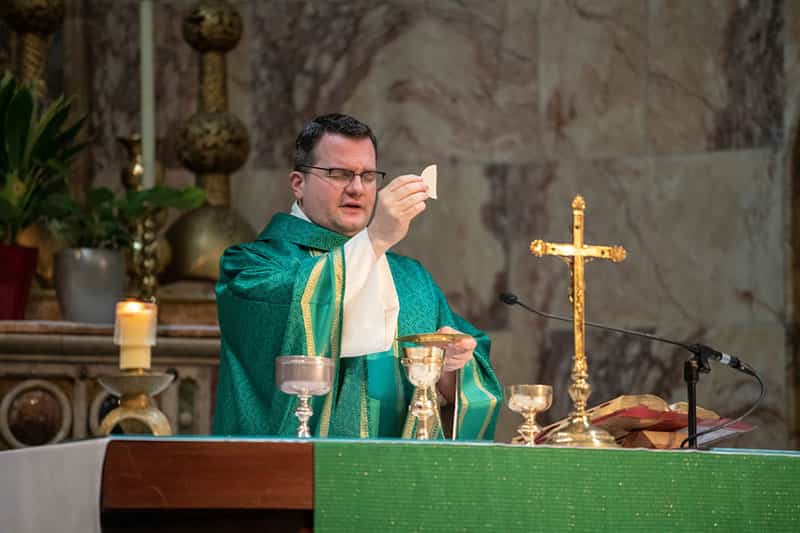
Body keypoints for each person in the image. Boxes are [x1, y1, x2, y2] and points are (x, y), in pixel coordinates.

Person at [213, 113, 501, 439]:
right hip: (302, 478)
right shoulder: (250, 267)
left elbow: (466, 387)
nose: (356, 188)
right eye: (339, 174)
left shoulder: (412, 279)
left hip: (401, 477)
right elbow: (294, 315)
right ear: (298, 183)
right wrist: (375, 238)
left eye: (368, 176)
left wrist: (450, 368)